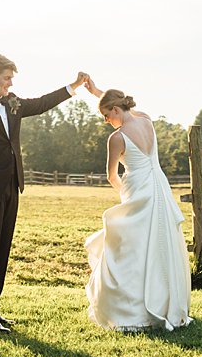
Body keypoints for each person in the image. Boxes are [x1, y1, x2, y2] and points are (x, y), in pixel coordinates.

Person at [0, 55, 88, 332]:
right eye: (6, 78)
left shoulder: (12, 102)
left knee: (2, 250)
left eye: (11, 78)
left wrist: (74, 86)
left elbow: (42, 103)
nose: (10, 83)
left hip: (12, 184)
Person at [82, 81, 193, 332]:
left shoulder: (117, 138)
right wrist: (98, 93)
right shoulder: (147, 121)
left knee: (131, 247)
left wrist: (125, 193)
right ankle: (167, 305)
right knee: (161, 244)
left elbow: (111, 175)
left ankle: (132, 310)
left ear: (114, 110)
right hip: (159, 189)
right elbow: (123, 106)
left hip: (136, 190)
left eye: (106, 115)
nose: (106, 121)